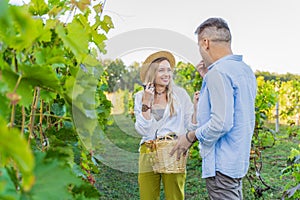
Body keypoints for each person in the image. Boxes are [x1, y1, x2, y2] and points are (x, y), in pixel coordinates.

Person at [170, 17, 257, 199]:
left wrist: (190, 136)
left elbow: (221, 123)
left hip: (221, 165)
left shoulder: (218, 73)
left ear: (205, 43)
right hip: (236, 160)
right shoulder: (244, 71)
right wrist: (207, 78)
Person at [134, 51, 198, 200]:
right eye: (161, 70)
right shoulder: (140, 96)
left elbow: (191, 125)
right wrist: (146, 102)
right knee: (147, 196)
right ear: (152, 73)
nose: (166, 74)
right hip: (148, 150)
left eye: (168, 70)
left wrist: (196, 107)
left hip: (173, 150)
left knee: (174, 196)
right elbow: (142, 129)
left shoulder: (180, 95)